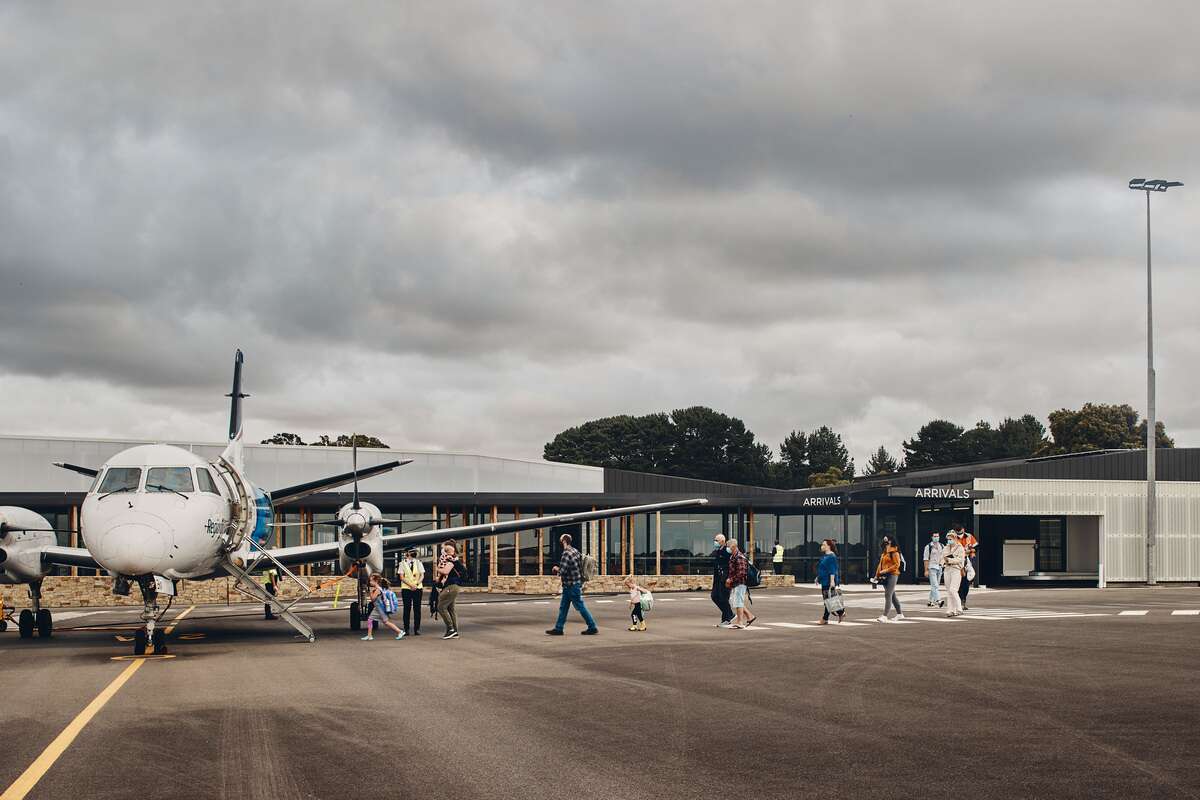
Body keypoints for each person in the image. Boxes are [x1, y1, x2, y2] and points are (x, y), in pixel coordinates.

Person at [546, 533, 599, 636]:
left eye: (561, 541)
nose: (561, 543)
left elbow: (562, 571)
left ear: (564, 541)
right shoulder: (575, 551)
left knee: (580, 606)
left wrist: (556, 568)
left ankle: (592, 626)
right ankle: (559, 628)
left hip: (571, 585)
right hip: (573, 584)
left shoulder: (566, 553)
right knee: (564, 607)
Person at [361, 574, 404, 641]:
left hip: (380, 609)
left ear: (376, 581)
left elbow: (372, 599)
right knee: (370, 619)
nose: (370, 582)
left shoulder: (378, 590)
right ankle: (369, 635)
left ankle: (399, 631)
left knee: (386, 622)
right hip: (377, 608)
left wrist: (370, 592)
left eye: (371, 581)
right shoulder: (377, 589)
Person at [435, 541, 464, 639]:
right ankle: (454, 631)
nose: (442, 550)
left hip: (451, 586)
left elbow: (445, 571)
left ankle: (451, 629)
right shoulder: (453, 559)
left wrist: (437, 569)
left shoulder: (451, 560)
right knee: (450, 608)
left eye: (444, 548)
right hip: (453, 586)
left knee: (441, 607)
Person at [725, 539, 756, 629]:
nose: (727, 548)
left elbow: (741, 573)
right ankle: (750, 617)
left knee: (738, 602)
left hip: (740, 583)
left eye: (728, 546)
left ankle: (740, 622)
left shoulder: (739, 557)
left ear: (733, 546)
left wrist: (731, 580)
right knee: (736, 601)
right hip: (736, 583)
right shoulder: (733, 556)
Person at [873, 535, 905, 622]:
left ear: (891, 541)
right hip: (885, 575)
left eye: (886, 540)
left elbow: (897, 565)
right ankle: (900, 614)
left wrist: (886, 570)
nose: (884, 542)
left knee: (888, 594)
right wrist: (877, 575)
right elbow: (880, 565)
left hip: (893, 574)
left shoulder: (894, 552)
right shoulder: (885, 552)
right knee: (892, 595)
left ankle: (884, 616)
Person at [816, 538, 845, 625]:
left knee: (828, 600)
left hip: (828, 581)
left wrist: (832, 581)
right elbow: (823, 569)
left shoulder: (831, 557)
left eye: (824, 545)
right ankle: (841, 613)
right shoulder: (825, 556)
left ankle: (825, 618)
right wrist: (818, 577)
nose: (822, 546)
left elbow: (832, 570)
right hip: (824, 580)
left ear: (829, 546)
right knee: (828, 600)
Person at [710, 533, 734, 628]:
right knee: (714, 596)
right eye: (715, 540)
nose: (715, 542)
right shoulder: (717, 551)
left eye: (717, 540)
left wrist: (729, 578)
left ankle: (727, 618)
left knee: (723, 598)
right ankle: (729, 615)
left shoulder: (726, 551)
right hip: (717, 579)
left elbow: (731, 564)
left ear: (723, 542)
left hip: (725, 579)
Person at [399, 549, 425, 636]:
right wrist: (411, 585)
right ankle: (406, 629)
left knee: (417, 609)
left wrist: (416, 584)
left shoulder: (418, 562)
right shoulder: (402, 563)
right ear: (407, 553)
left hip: (417, 588)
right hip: (406, 588)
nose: (413, 552)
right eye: (411, 551)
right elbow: (401, 577)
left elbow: (422, 575)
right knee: (407, 608)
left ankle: (417, 629)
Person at [941, 531, 967, 617]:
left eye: (951, 539)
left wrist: (950, 560)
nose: (949, 541)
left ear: (955, 538)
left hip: (956, 569)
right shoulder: (945, 548)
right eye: (948, 539)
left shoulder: (960, 548)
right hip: (947, 569)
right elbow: (942, 558)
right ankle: (950, 610)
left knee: (953, 589)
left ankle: (959, 608)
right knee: (949, 591)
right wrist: (943, 563)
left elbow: (960, 559)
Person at [955, 523, 978, 609]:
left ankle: (963, 600)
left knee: (966, 583)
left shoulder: (969, 536)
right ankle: (960, 602)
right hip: (958, 562)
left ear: (963, 530)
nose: (959, 535)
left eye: (960, 532)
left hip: (968, 562)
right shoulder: (953, 537)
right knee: (959, 583)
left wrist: (971, 551)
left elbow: (976, 547)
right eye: (958, 533)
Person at [923, 531, 945, 608]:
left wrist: (943, 565)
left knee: (935, 585)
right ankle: (938, 600)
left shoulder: (942, 546)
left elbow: (943, 557)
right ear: (932, 537)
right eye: (934, 536)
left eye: (937, 536)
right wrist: (926, 570)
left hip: (940, 567)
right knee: (935, 585)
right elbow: (926, 559)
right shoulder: (928, 546)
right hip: (932, 567)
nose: (936, 537)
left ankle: (930, 601)